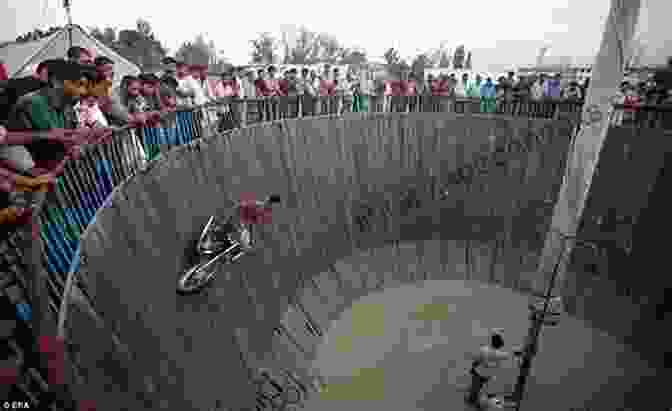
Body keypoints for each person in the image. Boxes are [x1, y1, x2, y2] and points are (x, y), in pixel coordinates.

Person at [199, 194, 281, 254]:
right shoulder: (257, 206)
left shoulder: (263, 211)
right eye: (270, 203)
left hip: (240, 223)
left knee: (245, 244)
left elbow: (251, 224)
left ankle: (223, 247)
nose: (269, 206)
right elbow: (239, 208)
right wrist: (240, 225)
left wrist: (250, 238)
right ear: (268, 201)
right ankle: (209, 243)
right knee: (238, 237)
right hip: (237, 220)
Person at [466, 330, 522, 406]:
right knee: (481, 387)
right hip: (488, 375)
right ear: (499, 345)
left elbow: (477, 360)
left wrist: (472, 368)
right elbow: (510, 354)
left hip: (478, 372)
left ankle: (472, 399)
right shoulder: (499, 354)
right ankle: (477, 399)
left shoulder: (484, 349)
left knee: (475, 386)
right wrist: (518, 352)